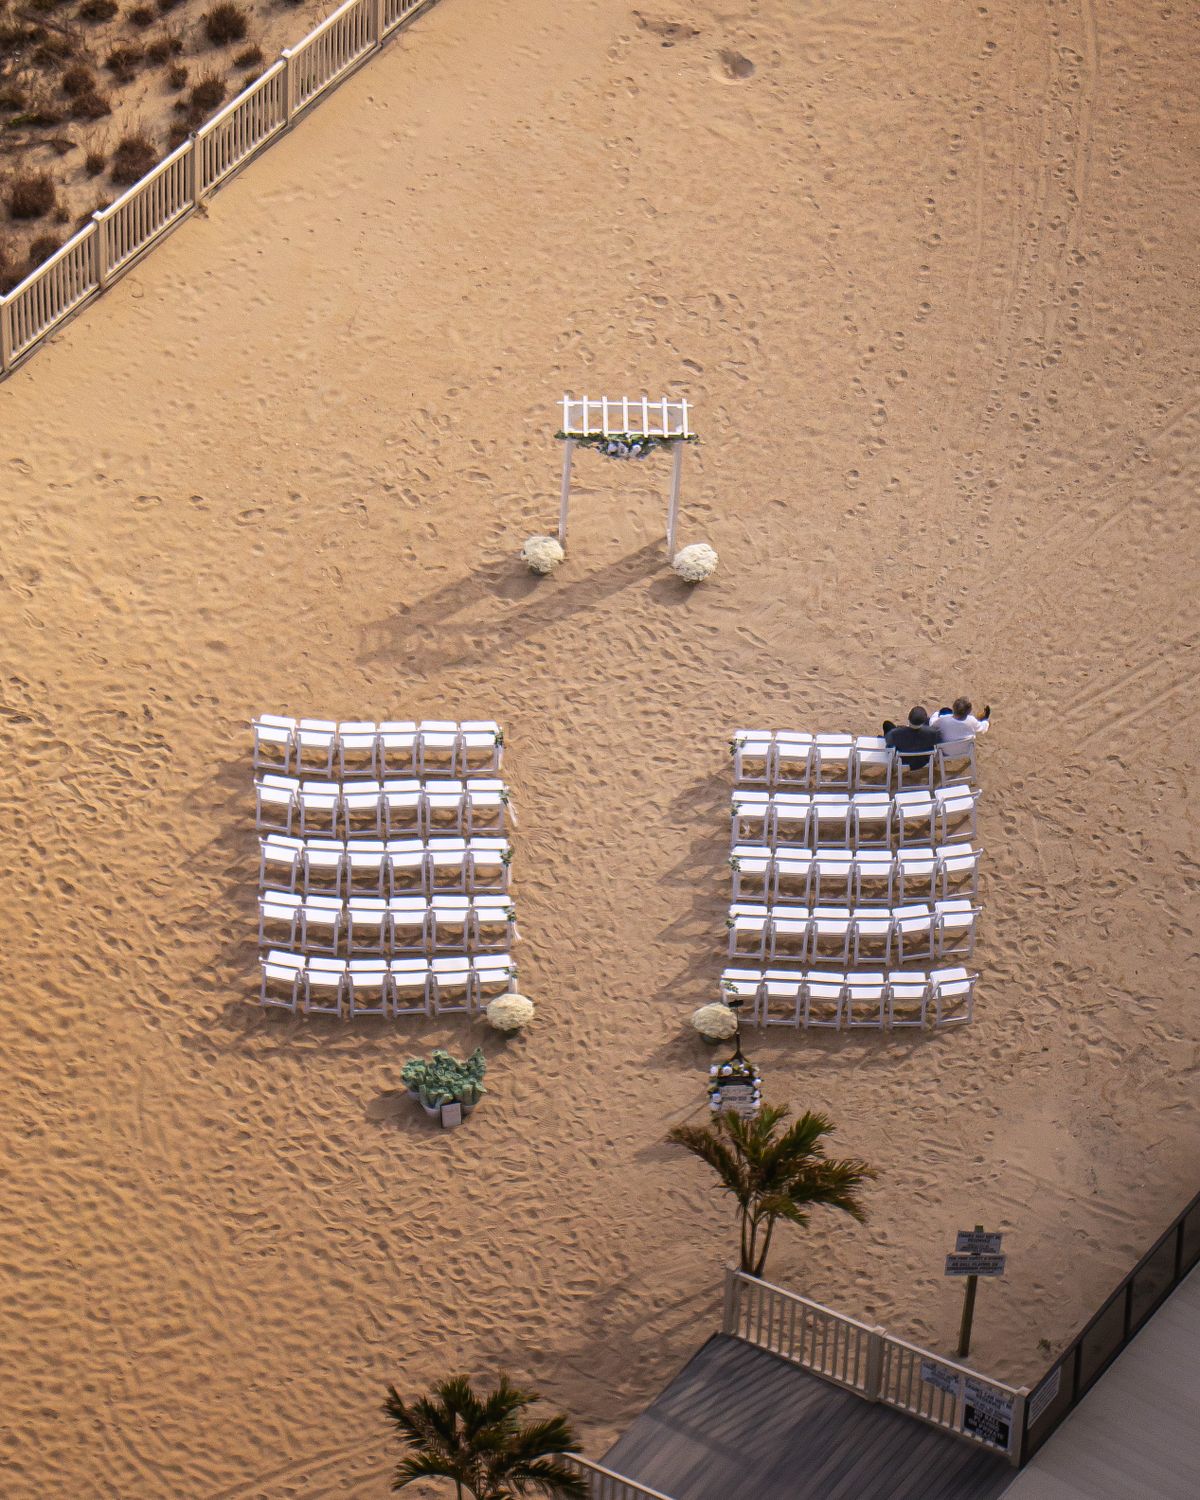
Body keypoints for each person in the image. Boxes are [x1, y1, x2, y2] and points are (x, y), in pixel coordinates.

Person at [881, 706, 940, 771]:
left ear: (908, 718)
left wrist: (901, 729)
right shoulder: (933, 732)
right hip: (923, 760)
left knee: (887, 724)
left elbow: (888, 742)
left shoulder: (896, 733)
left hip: (903, 760)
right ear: (923, 721)